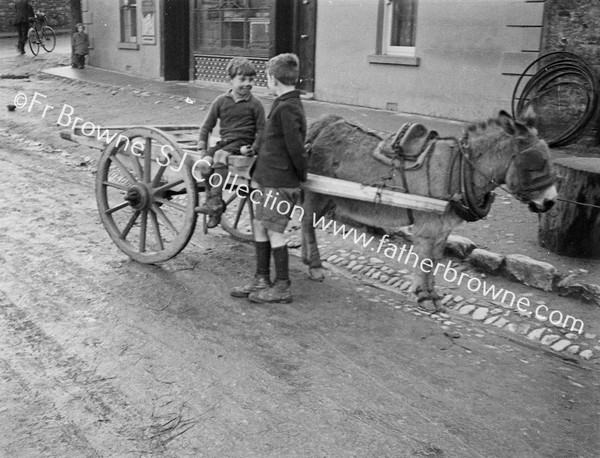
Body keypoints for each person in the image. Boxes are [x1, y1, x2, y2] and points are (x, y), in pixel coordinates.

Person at [231, 53, 308, 304]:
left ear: (273, 79)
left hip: (279, 181)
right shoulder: (285, 103)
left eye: (266, 77)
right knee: (260, 225)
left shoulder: (287, 107)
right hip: (269, 178)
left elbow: (296, 148)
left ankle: (282, 286)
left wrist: (300, 177)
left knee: (274, 231)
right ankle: (262, 278)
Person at [197, 57, 266, 228]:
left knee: (220, 155)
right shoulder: (221, 101)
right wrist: (201, 146)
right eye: (242, 79)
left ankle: (215, 204)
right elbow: (207, 126)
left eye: (251, 80)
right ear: (231, 80)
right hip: (225, 142)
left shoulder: (255, 104)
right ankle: (214, 200)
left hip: (242, 143)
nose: (247, 84)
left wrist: (254, 149)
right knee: (205, 164)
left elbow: (263, 131)